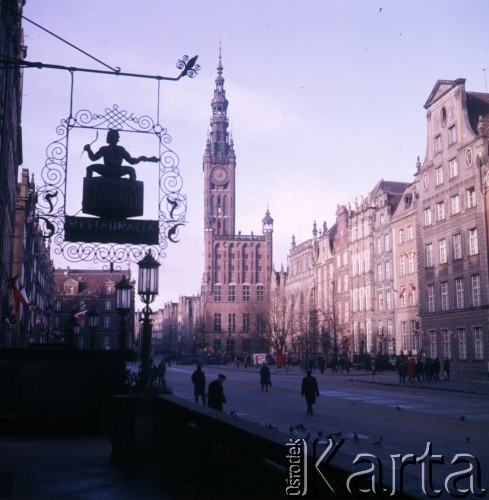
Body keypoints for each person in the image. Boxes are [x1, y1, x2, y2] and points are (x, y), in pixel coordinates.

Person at [84, 129, 158, 181]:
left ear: (111, 138)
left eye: (108, 136)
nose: (106, 137)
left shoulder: (105, 149)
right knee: (131, 170)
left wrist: (88, 150)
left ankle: (89, 187)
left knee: (89, 168)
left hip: (107, 170)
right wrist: (142, 158)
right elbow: (132, 161)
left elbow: (93, 158)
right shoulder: (120, 149)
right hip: (117, 170)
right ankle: (131, 189)